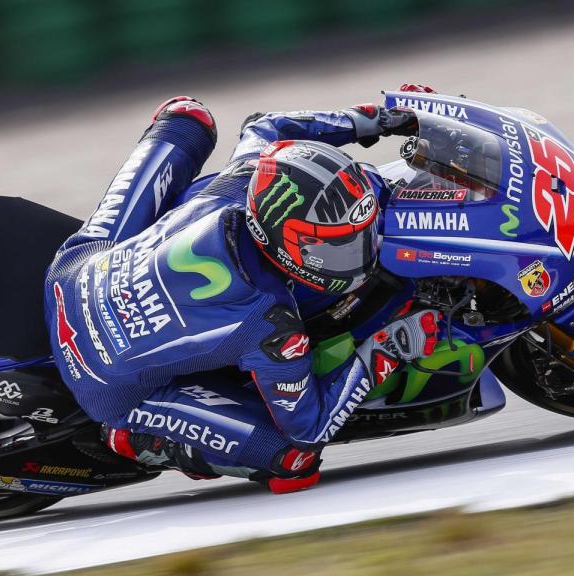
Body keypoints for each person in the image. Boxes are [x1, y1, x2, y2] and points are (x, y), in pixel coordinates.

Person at [46, 89, 440, 493]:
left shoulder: (243, 180)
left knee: (187, 115)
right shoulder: (270, 319)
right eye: (335, 246)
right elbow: (310, 427)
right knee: (294, 460)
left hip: (76, 269)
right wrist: (388, 349)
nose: (361, 253)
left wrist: (371, 119)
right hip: (105, 383)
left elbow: (266, 125)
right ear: (284, 245)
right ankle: (143, 441)